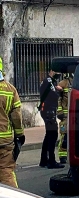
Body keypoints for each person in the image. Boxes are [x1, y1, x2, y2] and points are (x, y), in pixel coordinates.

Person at [0, 57, 25, 188]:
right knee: (6, 173)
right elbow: (16, 116)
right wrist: (20, 134)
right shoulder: (10, 89)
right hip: (5, 142)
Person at [38, 69, 65, 169]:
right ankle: (51, 161)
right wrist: (59, 91)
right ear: (52, 71)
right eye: (57, 72)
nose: (58, 74)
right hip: (49, 111)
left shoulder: (49, 81)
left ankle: (44, 160)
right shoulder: (48, 81)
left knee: (49, 135)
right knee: (53, 135)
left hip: (47, 110)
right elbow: (53, 95)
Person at [57, 73, 73, 164]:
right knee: (64, 136)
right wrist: (60, 111)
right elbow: (58, 99)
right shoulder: (62, 84)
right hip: (65, 116)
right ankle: (62, 156)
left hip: (75, 115)